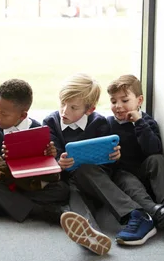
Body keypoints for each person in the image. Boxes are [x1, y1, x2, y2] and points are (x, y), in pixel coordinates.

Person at [44, 73, 157, 248]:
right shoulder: (51, 121)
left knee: (85, 170)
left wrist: (114, 157)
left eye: (73, 107)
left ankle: (138, 215)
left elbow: (108, 166)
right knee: (74, 195)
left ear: (89, 110)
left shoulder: (99, 123)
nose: (65, 111)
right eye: (62, 104)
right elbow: (55, 154)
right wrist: (59, 162)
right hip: (71, 182)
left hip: (95, 179)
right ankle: (90, 232)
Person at [0, 79, 70, 223]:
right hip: (7, 183)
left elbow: (45, 168)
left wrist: (50, 155)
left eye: (4, 114)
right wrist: (3, 159)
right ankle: (41, 211)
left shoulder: (37, 129)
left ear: (23, 115)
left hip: (30, 184)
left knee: (62, 190)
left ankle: (5, 205)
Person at [106, 74, 164, 229]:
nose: (118, 105)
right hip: (123, 175)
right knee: (125, 177)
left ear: (139, 100)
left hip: (143, 171)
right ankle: (155, 211)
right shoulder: (107, 124)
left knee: (157, 159)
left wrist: (139, 122)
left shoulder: (147, 122)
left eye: (124, 100)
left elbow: (153, 149)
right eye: (114, 101)